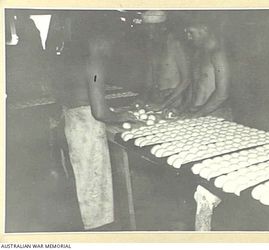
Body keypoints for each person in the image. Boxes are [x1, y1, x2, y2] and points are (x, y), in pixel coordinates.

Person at [54, 13, 134, 230]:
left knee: (82, 180)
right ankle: (98, 232)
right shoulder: (95, 62)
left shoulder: (73, 60)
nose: (111, 50)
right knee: (93, 184)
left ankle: (89, 224)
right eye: (110, 43)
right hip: (86, 129)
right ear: (100, 40)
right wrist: (123, 116)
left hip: (72, 122)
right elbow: (99, 111)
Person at [139, 10, 190, 112]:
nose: (150, 34)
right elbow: (149, 81)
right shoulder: (151, 46)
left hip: (173, 103)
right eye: (147, 29)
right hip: (157, 101)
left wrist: (163, 105)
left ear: (162, 28)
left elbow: (187, 80)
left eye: (152, 30)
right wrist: (141, 99)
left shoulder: (175, 44)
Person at [185, 22, 233, 121]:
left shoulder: (218, 54)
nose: (189, 37)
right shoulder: (198, 53)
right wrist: (183, 108)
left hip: (215, 115)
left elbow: (222, 94)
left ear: (204, 30)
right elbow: (194, 85)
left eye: (191, 33)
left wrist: (197, 114)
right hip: (197, 113)